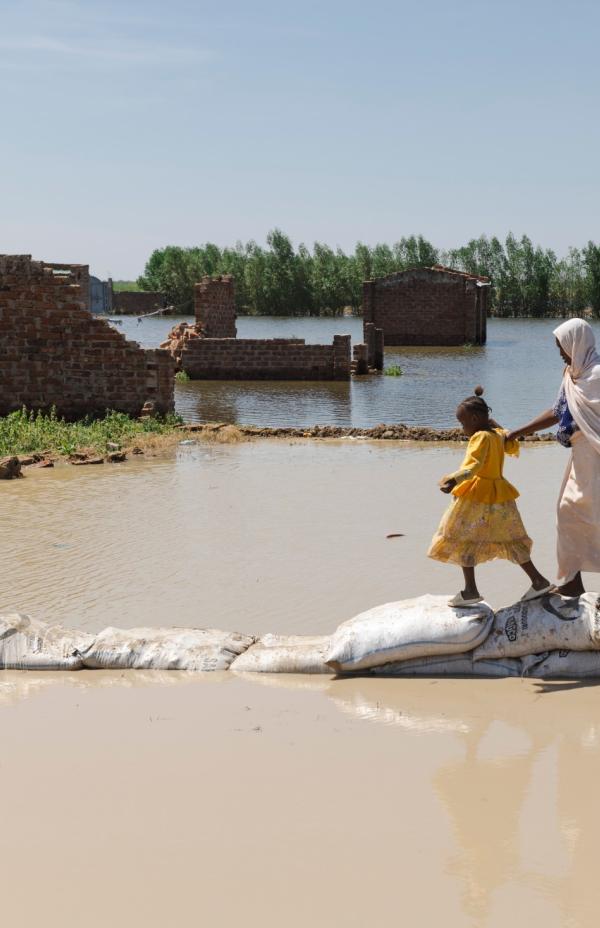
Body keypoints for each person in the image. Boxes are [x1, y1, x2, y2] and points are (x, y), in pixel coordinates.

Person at [428, 387, 551, 606]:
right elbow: (511, 443)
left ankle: (470, 591)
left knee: (462, 537)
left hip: (476, 496)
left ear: (475, 419)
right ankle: (538, 581)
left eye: (462, 422)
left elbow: (473, 466)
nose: (462, 427)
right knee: (512, 539)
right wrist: (496, 425)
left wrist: (453, 479)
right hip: (500, 497)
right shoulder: (497, 435)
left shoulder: (480, 437)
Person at [507, 318, 600, 597]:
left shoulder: (597, 375)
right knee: (567, 513)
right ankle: (572, 582)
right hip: (581, 456)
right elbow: (557, 412)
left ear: (577, 343)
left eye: (562, 346)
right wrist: (518, 432)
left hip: (597, 455)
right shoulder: (571, 375)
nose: (560, 352)